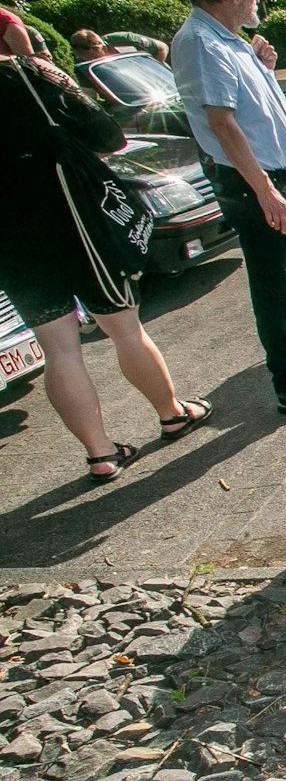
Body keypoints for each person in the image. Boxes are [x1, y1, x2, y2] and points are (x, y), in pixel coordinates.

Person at [1, 54, 211, 481]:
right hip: (70, 217)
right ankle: (171, 414)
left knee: (58, 349)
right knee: (124, 328)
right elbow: (108, 136)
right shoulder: (25, 72)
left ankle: (100, 454)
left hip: (12, 238)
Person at [170, 0, 286, 413]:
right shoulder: (203, 43)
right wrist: (264, 189)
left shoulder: (227, 38)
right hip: (255, 181)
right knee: (276, 283)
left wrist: (261, 64)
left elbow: (248, 108)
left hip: (278, 176)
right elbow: (222, 124)